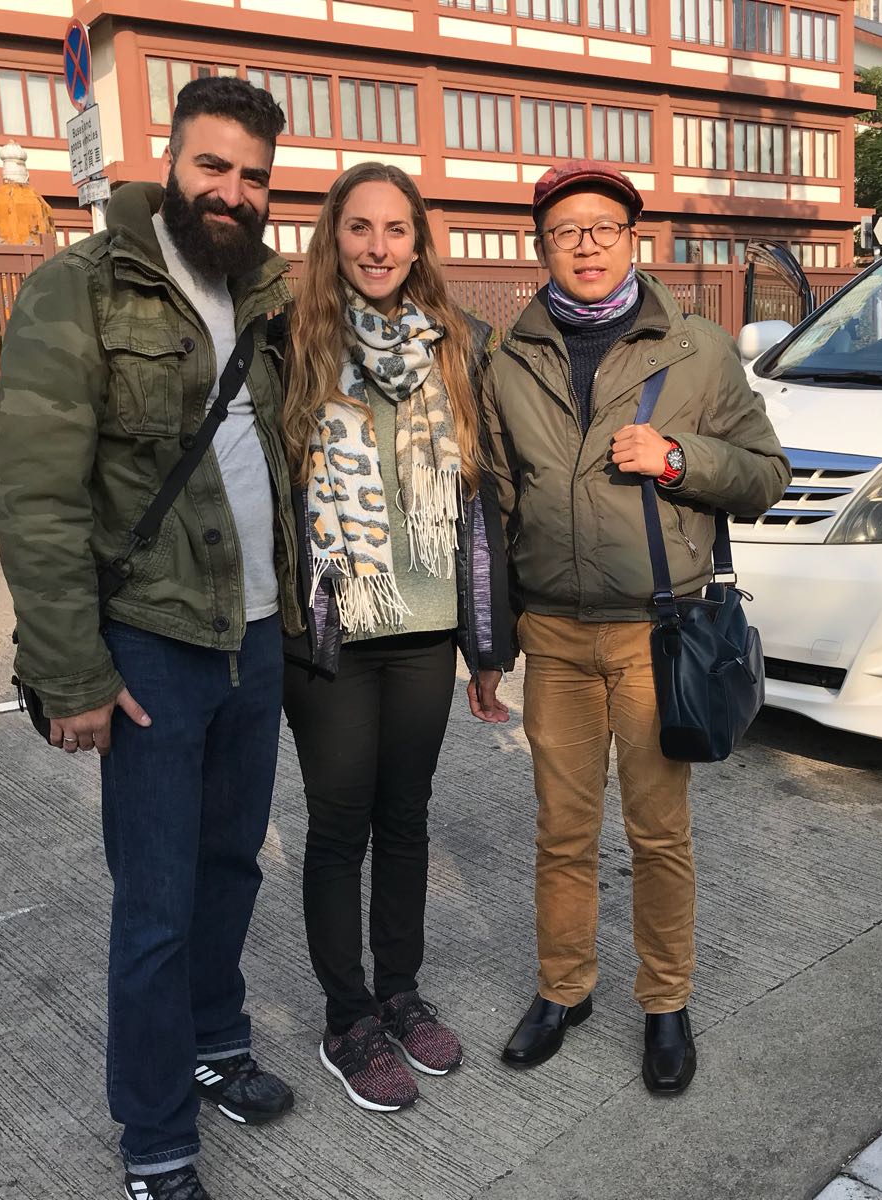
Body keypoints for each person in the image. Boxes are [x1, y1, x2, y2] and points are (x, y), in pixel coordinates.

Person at [0, 77, 299, 1200]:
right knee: (157, 904)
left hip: (255, 634)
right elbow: (36, 498)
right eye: (212, 166)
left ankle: (215, 1045)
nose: (231, 190)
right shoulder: (81, 289)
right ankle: (156, 1138)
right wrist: (70, 670)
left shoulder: (258, 288)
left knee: (230, 871)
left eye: (253, 175)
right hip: (154, 645)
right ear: (169, 163)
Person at [483, 161, 789, 1095]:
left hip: (656, 636)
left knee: (658, 832)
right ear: (541, 245)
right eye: (565, 230)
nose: (585, 244)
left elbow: (766, 474)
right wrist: (489, 645)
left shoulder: (696, 349)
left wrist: (676, 458)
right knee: (561, 831)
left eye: (602, 229)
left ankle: (665, 1002)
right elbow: (494, 507)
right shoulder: (507, 356)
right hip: (555, 638)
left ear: (631, 241)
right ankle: (563, 988)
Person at [279, 162, 515, 1113]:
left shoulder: (459, 348)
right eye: (359, 229)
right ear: (333, 238)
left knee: (406, 820)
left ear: (420, 244)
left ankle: (400, 992)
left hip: (425, 629)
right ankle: (347, 1019)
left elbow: (482, 503)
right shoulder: (291, 343)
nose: (378, 247)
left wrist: (487, 645)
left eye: (396, 230)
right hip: (333, 628)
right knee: (338, 827)